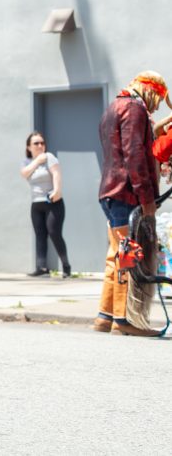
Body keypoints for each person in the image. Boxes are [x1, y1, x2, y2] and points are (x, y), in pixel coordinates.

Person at [94, 71, 169, 337]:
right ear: (151, 92)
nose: (156, 107)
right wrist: (147, 199)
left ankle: (105, 316)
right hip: (126, 194)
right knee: (127, 255)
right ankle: (123, 319)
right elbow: (135, 155)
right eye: (157, 100)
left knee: (115, 256)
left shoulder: (114, 106)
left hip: (110, 192)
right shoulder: (135, 109)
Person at [20, 132, 71, 277]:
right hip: (36, 204)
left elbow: (56, 174)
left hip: (52, 201)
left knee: (54, 233)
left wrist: (57, 190)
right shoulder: (26, 162)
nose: (40, 145)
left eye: (42, 143)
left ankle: (66, 266)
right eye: (36, 143)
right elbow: (24, 173)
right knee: (40, 235)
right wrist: (36, 161)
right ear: (29, 147)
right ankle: (42, 267)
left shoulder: (50, 157)